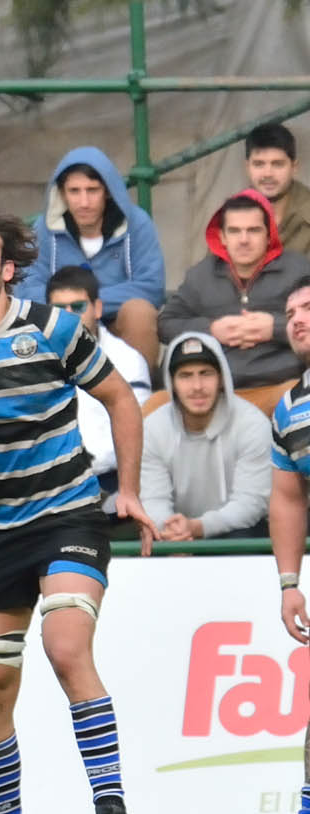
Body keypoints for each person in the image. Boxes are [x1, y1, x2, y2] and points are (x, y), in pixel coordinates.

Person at [0, 210, 155, 814]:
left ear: (8, 268)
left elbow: (120, 397)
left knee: (67, 646)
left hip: (66, 515)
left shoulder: (55, 330)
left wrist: (128, 489)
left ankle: (109, 801)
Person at [159, 189, 310, 412]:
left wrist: (276, 327)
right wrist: (211, 330)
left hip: (282, 387)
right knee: (152, 408)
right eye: (235, 231)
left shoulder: (298, 270)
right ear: (221, 236)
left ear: (269, 235)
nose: (244, 240)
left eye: (254, 230)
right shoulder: (201, 276)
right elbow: (165, 324)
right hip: (213, 395)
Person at [22, 148, 165, 368]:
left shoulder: (137, 223)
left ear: (108, 191)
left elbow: (151, 287)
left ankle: (142, 394)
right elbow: (28, 289)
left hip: (119, 321)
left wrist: (89, 303)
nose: (84, 202)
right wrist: (73, 307)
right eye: (74, 191)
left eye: (92, 190)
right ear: (61, 193)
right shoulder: (44, 228)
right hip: (62, 320)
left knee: (139, 313)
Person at [141, 333, 270, 541]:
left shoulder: (252, 424)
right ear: (171, 383)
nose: (197, 386)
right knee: (148, 539)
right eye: (185, 376)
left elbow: (251, 503)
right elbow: (153, 500)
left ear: (221, 379)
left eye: (206, 373)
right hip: (175, 532)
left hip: (238, 531)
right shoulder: (152, 428)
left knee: (244, 538)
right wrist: (172, 531)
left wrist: (198, 527)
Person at [46, 265, 152, 511]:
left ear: (98, 309)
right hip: (49, 482)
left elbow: (139, 432)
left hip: (111, 480)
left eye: (79, 307)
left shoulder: (128, 359)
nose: (70, 315)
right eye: (59, 309)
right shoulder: (30, 359)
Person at [266, 289, 310, 814]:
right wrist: (289, 581)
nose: (297, 321)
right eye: (291, 314)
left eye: (308, 310)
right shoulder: (290, 408)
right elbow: (287, 496)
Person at [244, 122, 310, 256]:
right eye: (259, 164)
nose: (268, 173)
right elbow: (211, 273)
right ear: (247, 167)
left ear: (294, 167)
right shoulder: (230, 216)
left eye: (278, 164)